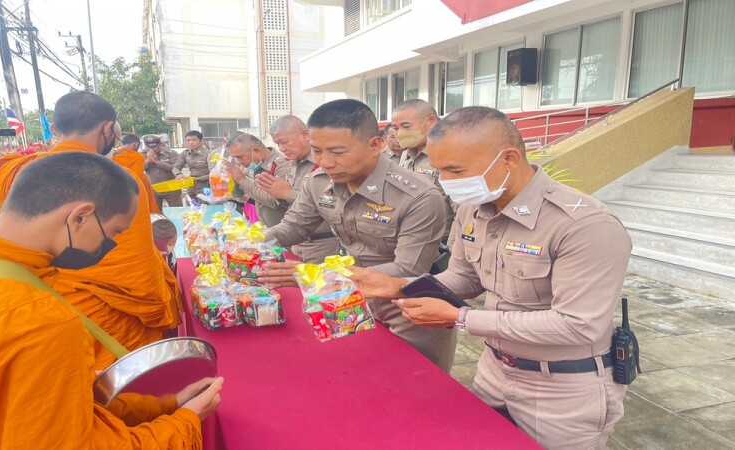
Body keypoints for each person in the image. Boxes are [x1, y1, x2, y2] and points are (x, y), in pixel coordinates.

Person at [350, 106, 630, 449]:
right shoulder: (475, 207)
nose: (447, 183)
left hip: (563, 387)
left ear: (508, 159)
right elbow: (465, 277)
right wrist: (399, 286)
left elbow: (577, 325)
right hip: (495, 371)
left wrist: (460, 318)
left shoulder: (584, 226)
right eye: (440, 171)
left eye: (456, 170)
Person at [0, 152, 223, 448]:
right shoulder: (40, 319)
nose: (108, 248)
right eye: (113, 233)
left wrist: (166, 403)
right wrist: (185, 420)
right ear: (80, 216)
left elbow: (47, 400)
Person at [0, 91, 181, 369]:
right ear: (108, 129)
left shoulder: (8, 172)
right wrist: (163, 309)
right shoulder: (114, 181)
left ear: (56, 129)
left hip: (24, 306)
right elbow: (135, 271)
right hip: (105, 318)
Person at [260, 99, 455, 371]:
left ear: (375, 145)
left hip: (408, 308)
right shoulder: (319, 184)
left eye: (338, 152)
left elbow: (407, 268)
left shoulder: (418, 196)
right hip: (349, 298)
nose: (325, 162)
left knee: (413, 385)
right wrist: (252, 243)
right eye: (317, 151)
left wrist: (314, 275)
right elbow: (294, 226)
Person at [254, 115, 340, 263]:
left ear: (305, 134)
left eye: (284, 142)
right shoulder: (294, 164)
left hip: (322, 247)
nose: (281, 148)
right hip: (296, 243)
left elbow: (332, 204)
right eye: (277, 144)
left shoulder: (327, 164)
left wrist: (288, 194)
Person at [392, 99, 457, 244]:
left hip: (441, 241)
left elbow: (463, 212)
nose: (399, 133)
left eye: (406, 126)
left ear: (431, 121)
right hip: (411, 237)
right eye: (395, 128)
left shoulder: (450, 153)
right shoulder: (407, 154)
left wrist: (452, 250)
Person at [222, 133, 291, 227]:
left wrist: (242, 181)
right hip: (264, 227)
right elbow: (240, 194)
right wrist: (232, 181)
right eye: (234, 157)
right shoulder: (254, 165)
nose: (238, 162)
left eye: (240, 157)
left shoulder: (281, 165)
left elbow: (275, 202)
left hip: (283, 231)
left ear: (256, 151)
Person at [113, 133, 160, 213]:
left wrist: (147, 160)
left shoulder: (112, 155)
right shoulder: (137, 157)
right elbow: (139, 178)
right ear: (135, 144)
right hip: (135, 191)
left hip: (117, 190)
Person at [144, 135, 182, 211]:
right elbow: (140, 168)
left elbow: (175, 168)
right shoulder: (143, 154)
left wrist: (157, 161)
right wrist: (148, 160)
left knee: (176, 212)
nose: (152, 149)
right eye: (149, 147)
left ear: (160, 145)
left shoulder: (171, 153)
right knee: (156, 213)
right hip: (154, 189)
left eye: (155, 147)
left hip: (171, 189)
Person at [174, 130, 212, 199]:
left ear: (201, 141)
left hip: (205, 188)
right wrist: (178, 174)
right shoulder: (185, 153)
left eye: (194, 140)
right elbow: (176, 167)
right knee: (191, 208)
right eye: (188, 140)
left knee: (204, 208)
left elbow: (215, 173)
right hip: (191, 187)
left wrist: (198, 178)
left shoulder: (209, 154)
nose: (190, 143)